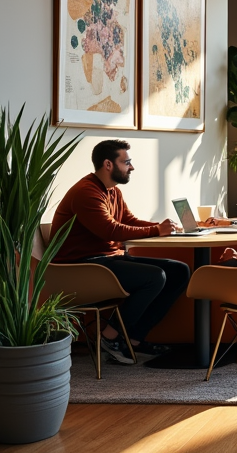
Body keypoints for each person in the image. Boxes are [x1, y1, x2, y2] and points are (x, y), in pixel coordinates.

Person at [50, 140, 189, 364]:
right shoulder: (87, 192)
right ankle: (109, 338)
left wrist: (164, 228)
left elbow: (127, 220)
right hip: (82, 266)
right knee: (154, 277)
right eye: (126, 162)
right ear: (108, 164)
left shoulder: (112, 191)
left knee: (179, 271)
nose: (131, 167)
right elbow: (110, 230)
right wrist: (156, 230)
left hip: (106, 261)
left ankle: (133, 339)